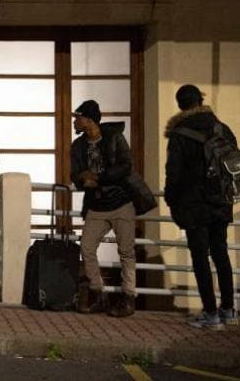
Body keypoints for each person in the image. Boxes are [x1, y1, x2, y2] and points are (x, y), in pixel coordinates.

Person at [165, 84, 239, 330]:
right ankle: (228, 310)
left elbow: (173, 173)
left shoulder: (179, 134)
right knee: (221, 254)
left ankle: (210, 313)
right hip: (221, 200)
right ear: (201, 100)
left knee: (200, 258)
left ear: (180, 105)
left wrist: (172, 200)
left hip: (194, 204)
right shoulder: (222, 128)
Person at [71, 99, 137, 317]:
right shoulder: (78, 146)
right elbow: (75, 174)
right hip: (96, 205)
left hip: (121, 202)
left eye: (78, 117)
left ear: (89, 120)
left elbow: (126, 165)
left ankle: (128, 297)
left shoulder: (114, 137)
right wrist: (83, 179)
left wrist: (98, 178)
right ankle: (97, 293)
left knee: (126, 251)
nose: (75, 121)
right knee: (86, 247)